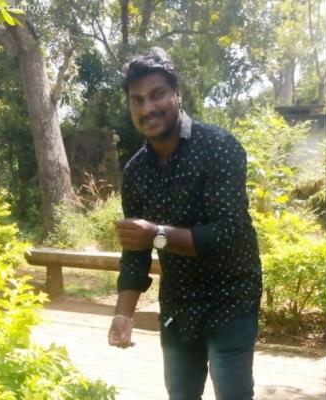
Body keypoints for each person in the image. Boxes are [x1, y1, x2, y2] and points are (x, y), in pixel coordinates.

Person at [108, 47, 262, 400]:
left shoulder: (219, 147)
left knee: (233, 394)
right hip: (178, 303)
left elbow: (228, 233)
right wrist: (123, 315)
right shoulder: (135, 172)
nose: (147, 108)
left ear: (177, 93)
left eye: (157, 94)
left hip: (231, 297)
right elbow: (135, 250)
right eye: (136, 100)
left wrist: (156, 235)